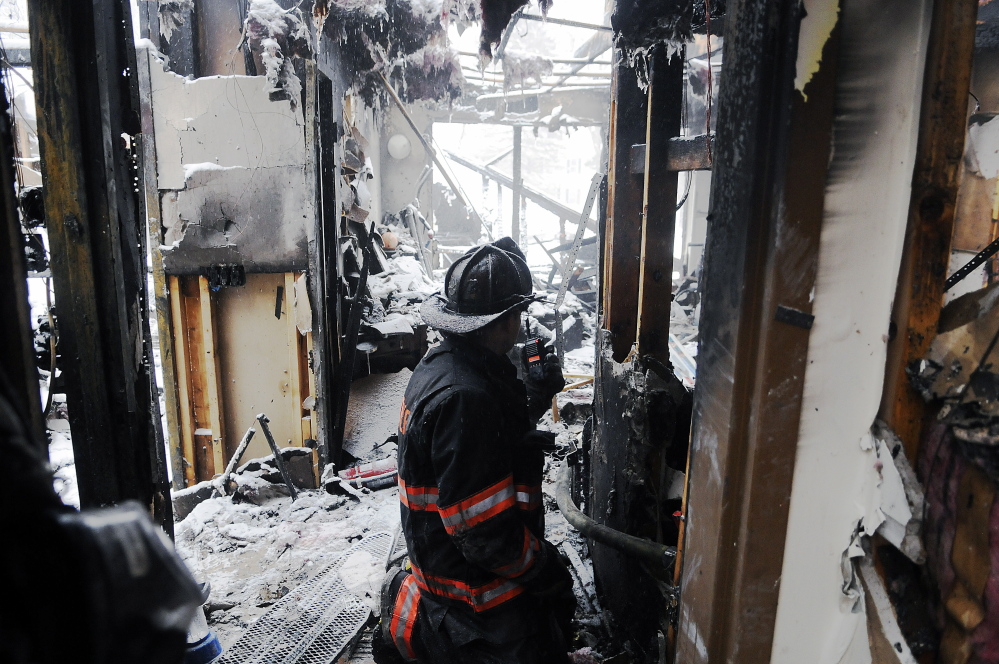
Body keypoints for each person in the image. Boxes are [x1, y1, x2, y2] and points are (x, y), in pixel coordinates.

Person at [374, 238, 575, 664]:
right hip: (472, 596)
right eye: (518, 314)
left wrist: (537, 391)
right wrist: (546, 571)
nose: (521, 325)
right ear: (503, 322)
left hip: (444, 564)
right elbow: (483, 535)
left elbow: (482, 446)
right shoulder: (467, 396)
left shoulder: (444, 364)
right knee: (551, 639)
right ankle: (436, 640)